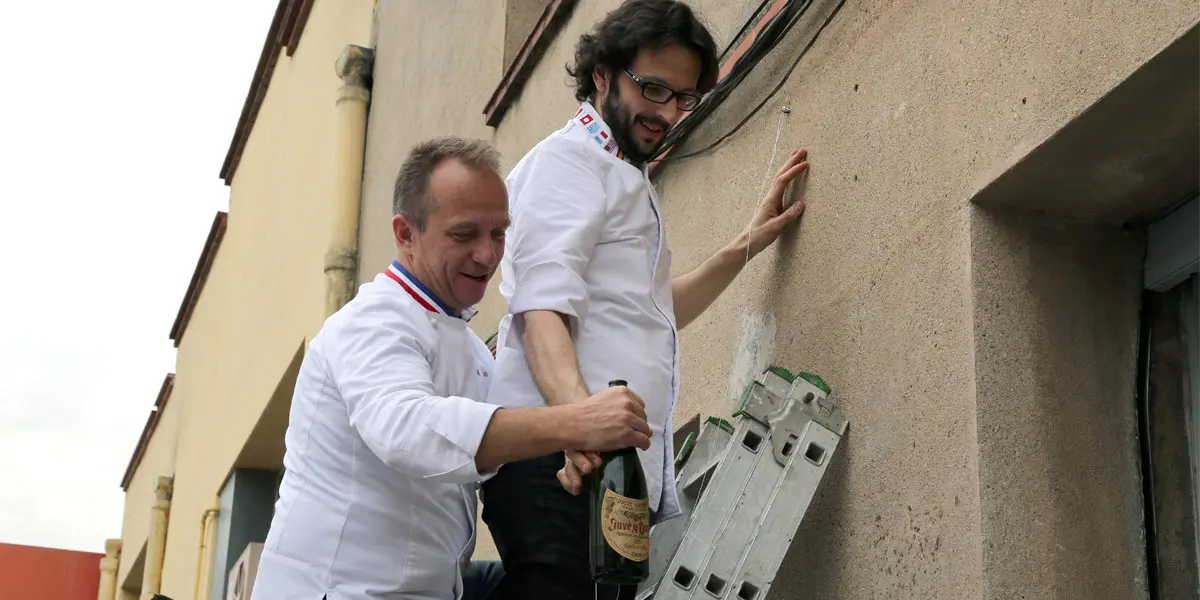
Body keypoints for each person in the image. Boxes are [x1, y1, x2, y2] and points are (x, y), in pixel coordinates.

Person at [479, 1, 812, 598]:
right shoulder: (569, 163)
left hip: (600, 469)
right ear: (603, 73)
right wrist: (579, 426)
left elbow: (652, 315)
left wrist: (744, 246)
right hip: (564, 464)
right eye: (653, 88)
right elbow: (539, 310)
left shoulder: (620, 174)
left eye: (683, 98)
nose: (666, 113)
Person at [250, 136, 655, 600]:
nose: (487, 254)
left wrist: (569, 450)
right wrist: (576, 422)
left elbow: (509, 438)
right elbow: (410, 431)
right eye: (465, 235)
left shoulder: (472, 352)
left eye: (499, 233)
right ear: (406, 234)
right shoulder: (369, 323)